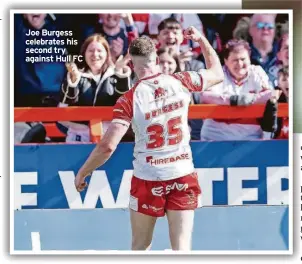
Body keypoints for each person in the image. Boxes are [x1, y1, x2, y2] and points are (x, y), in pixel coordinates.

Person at [74, 26, 223, 250]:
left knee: (140, 247)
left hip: (148, 177)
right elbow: (217, 74)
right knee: (182, 248)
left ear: (132, 64)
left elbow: (108, 146)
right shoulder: (181, 81)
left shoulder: (128, 99)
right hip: (181, 173)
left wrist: (84, 171)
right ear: (156, 58)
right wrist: (202, 40)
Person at [57, 34, 131, 142]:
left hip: (109, 140)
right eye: (90, 50)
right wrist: (73, 83)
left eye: (99, 51)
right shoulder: (76, 76)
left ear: (107, 54)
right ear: (84, 53)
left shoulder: (116, 77)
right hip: (79, 139)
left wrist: (121, 75)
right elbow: (61, 112)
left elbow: (126, 106)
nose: (95, 54)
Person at [200, 39, 273, 141]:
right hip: (216, 136)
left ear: (249, 58)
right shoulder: (217, 74)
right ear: (225, 61)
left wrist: (250, 99)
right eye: (235, 60)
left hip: (250, 137)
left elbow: (270, 95)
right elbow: (206, 96)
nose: (239, 64)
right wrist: (234, 100)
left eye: (243, 59)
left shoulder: (256, 71)